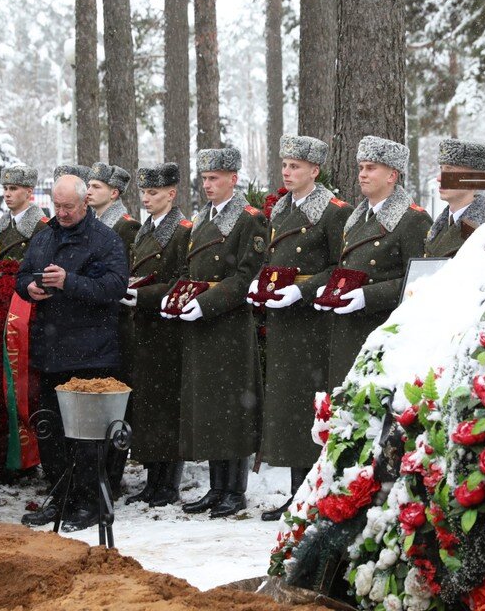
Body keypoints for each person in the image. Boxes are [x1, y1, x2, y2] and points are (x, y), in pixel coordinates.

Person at [16, 176, 129, 531]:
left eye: (68, 207)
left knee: (86, 436)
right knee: (51, 431)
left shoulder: (105, 240)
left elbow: (115, 287)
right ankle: (61, 494)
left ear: (85, 205)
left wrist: (69, 282)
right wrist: (30, 287)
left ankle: (90, 502)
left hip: (90, 354)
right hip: (50, 349)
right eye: (57, 205)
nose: (61, 213)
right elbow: (22, 274)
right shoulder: (45, 234)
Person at [254, 135, 352, 522]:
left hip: (313, 322)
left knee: (308, 407)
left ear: (315, 170)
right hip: (282, 319)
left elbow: (338, 266)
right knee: (290, 408)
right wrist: (261, 285)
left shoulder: (332, 211)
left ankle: (310, 494)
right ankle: (297, 493)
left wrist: (301, 289)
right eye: (285, 165)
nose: (288, 172)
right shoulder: (280, 209)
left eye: (296, 166)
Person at [171, 147, 267, 518]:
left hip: (227, 323)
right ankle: (216, 487)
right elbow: (189, 268)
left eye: (215, 178)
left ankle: (235, 490)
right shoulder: (201, 218)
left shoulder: (249, 219)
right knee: (210, 407)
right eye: (205, 178)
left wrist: (207, 303)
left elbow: (246, 275)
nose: (208, 184)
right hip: (200, 324)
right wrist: (177, 298)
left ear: (233, 179)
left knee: (232, 408)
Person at [317, 136, 432, 388]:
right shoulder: (356, 219)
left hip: (380, 331)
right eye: (360, 168)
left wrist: (368, 295)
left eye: (371, 168)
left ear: (392, 175)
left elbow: (420, 283)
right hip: (346, 329)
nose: (362, 175)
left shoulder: (412, 220)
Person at [121, 163, 192, 507]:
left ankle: (169, 483)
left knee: (167, 405)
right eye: (144, 193)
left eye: (153, 193)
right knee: (149, 405)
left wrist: (145, 295)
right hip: (146, 327)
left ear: (171, 193)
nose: (146, 199)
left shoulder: (181, 231)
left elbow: (183, 278)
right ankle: (153, 480)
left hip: (168, 326)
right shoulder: (145, 229)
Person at [0, 165, 48, 473]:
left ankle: (28, 455)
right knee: (4, 384)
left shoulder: (41, 227)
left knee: (26, 385)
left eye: (14, 189)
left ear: (29, 192)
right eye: (6, 189)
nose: (8, 194)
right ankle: (6, 452)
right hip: (2, 311)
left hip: (26, 311)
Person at [88, 162, 141, 495]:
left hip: (118, 320)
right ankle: (99, 469)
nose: (89, 190)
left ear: (114, 192)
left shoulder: (126, 227)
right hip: (95, 319)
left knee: (118, 399)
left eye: (96, 186)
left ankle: (114, 470)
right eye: (89, 185)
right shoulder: (92, 224)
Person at [425, 139, 485, 259]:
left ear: (474, 178)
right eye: (441, 169)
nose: (439, 178)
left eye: (449, 170)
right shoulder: (441, 225)